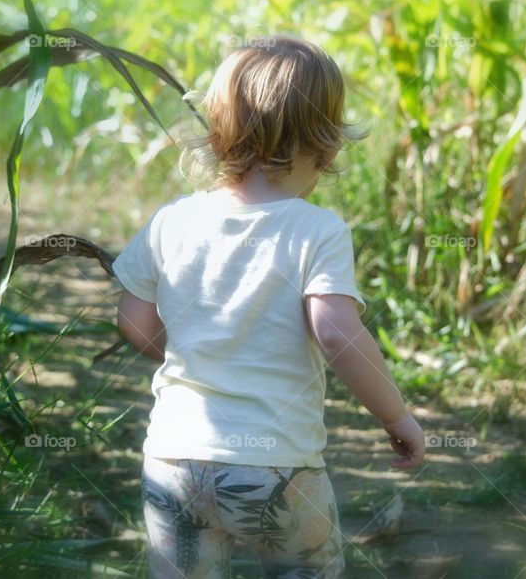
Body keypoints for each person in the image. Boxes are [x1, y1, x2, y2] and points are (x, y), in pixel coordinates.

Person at [112, 35, 424, 578]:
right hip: (276, 468)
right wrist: (396, 416)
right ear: (325, 145)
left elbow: (134, 320)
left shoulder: (172, 220)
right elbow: (337, 334)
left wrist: (196, 351)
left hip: (174, 460)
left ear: (218, 131)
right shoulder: (317, 230)